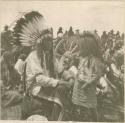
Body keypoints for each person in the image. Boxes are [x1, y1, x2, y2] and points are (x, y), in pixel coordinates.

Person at [13, 11, 73, 120]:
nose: (51, 43)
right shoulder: (33, 56)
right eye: (49, 41)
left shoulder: (49, 56)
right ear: (41, 42)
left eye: (51, 40)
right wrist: (60, 82)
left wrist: (69, 77)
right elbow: (39, 79)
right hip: (35, 89)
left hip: (46, 86)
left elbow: (60, 70)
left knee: (63, 90)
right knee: (60, 93)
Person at [72, 32, 105, 121]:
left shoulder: (94, 61)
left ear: (88, 48)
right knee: (79, 109)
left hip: (87, 89)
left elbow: (97, 75)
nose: (79, 49)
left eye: (81, 47)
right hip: (79, 88)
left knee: (89, 109)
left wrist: (89, 82)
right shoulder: (82, 59)